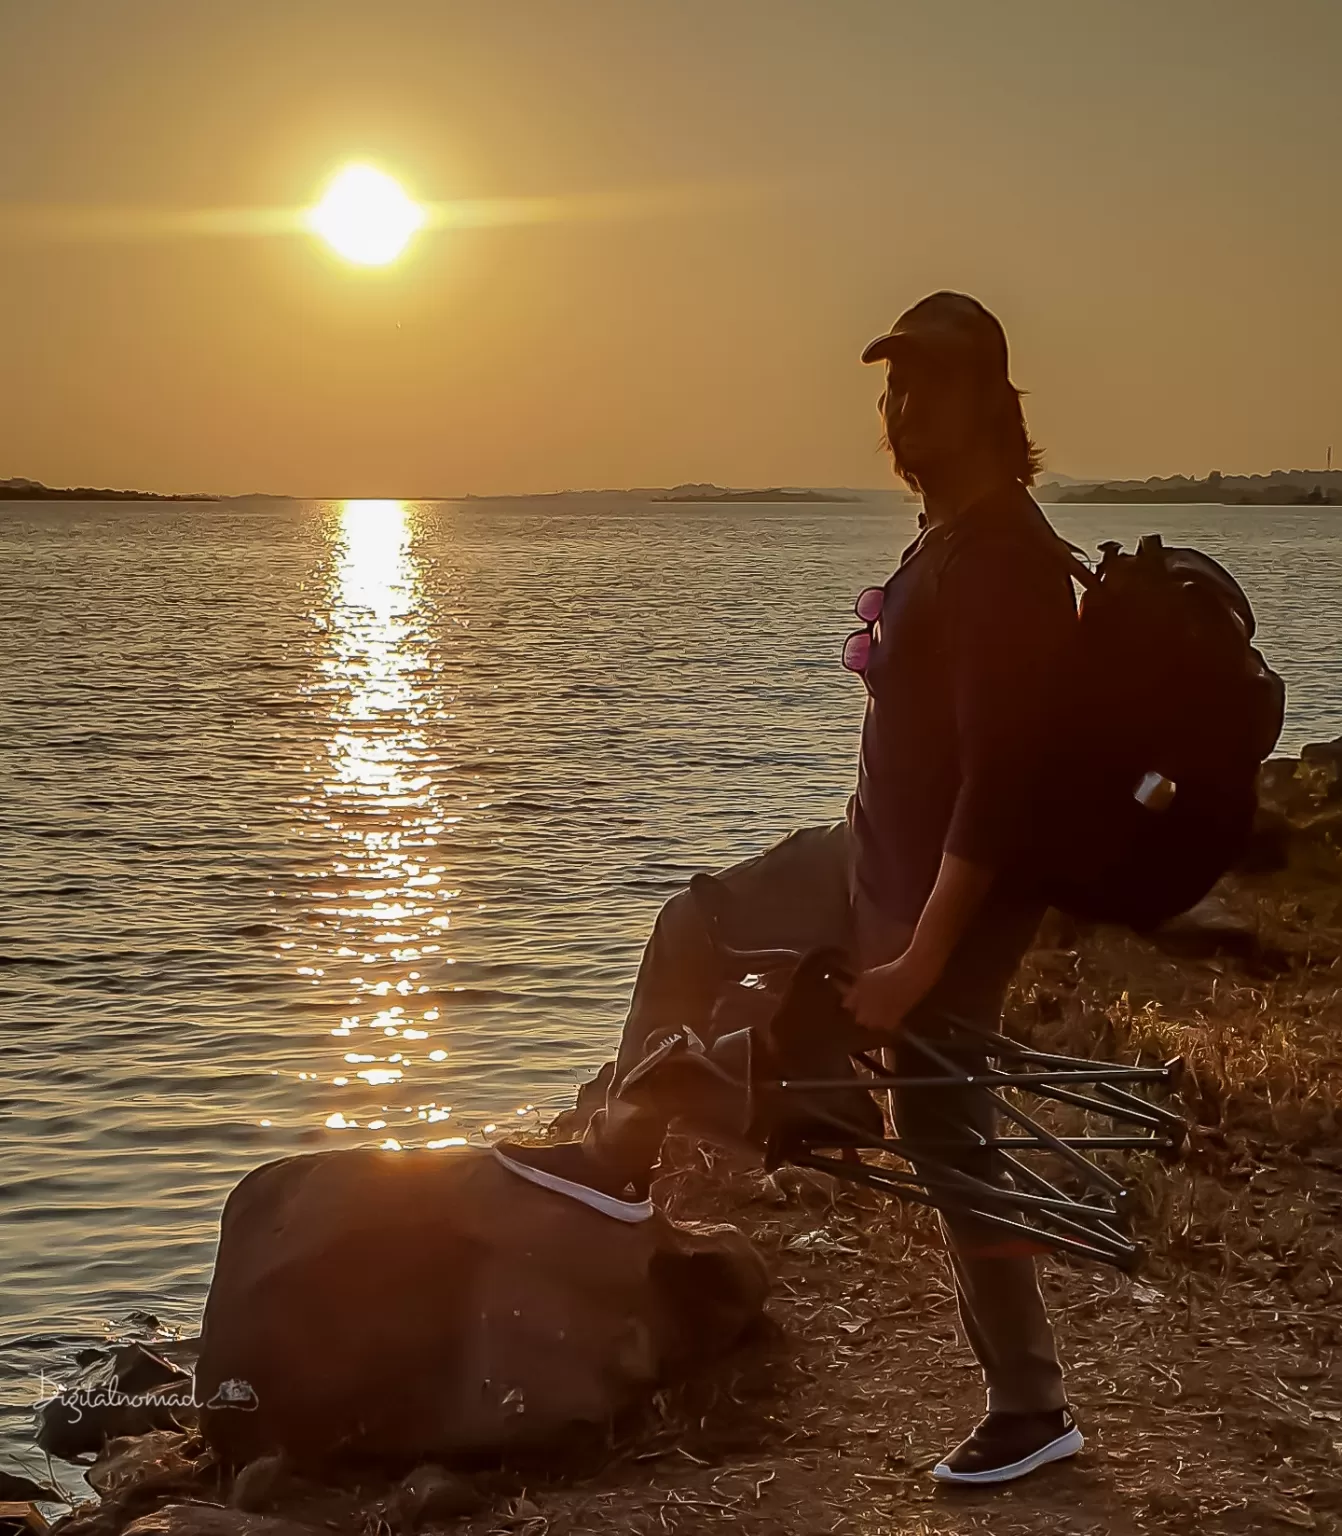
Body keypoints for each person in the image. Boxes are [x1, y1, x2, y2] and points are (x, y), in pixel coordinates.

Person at [550, 292, 1083, 1485]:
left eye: (929, 387)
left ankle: (1033, 1408)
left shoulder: (1004, 559)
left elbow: (1000, 789)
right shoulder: (944, 538)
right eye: (891, 387)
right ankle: (614, 1161)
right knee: (696, 922)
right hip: (859, 860)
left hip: (941, 902)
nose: (901, 408)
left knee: (951, 1146)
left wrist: (917, 963)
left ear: (993, 404)